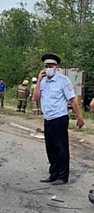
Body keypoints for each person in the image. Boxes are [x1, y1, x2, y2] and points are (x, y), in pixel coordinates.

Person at [33, 53, 84, 185]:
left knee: (61, 148)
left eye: (51, 66)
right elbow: (36, 98)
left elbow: (72, 100)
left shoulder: (63, 80)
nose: (48, 68)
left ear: (56, 67)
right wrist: (38, 81)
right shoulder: (43, 81)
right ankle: (53, 174)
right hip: (48, 118)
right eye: (46, 66)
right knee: (50, 148)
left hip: (60, 118)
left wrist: (79, 118)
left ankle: (62, 176)